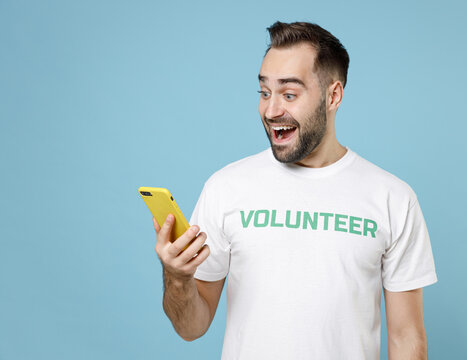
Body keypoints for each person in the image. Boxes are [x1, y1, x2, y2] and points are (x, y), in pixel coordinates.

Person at [153, 21, 438, 360]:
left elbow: (407, 339)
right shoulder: (226, 188)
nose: (271, 111)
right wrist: (177, 279)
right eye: (264, 92)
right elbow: (191, 328)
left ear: (333, 96)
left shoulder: (393, 198)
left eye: (289, 94)